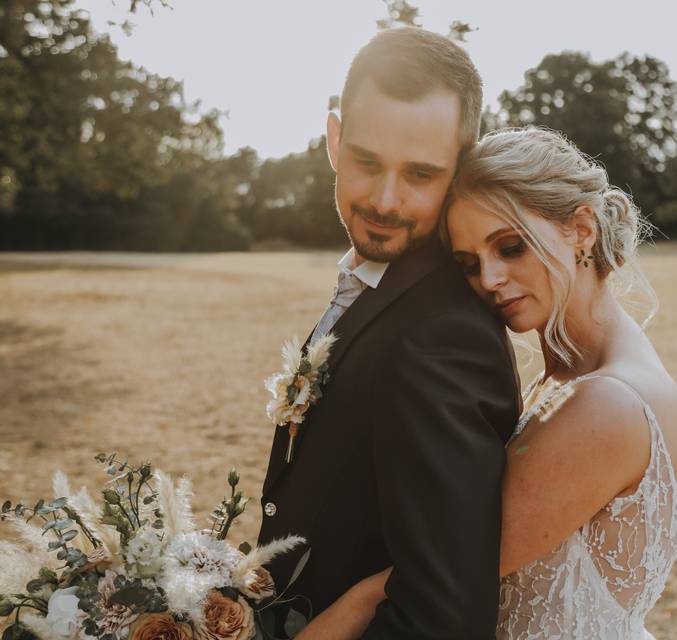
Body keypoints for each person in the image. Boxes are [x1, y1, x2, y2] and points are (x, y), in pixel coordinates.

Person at [297, 127, 677, 640]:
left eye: (509, 248)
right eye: (468, 264)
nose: (488, 279)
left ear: (581, 230)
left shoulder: (606, 404)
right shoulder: (580, 376)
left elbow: (428, 578)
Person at [256, 28, 521, 639]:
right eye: (366, 161)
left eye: (421, 174)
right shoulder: (377, 284)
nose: (385, 199)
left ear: (461, 169)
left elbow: (441, 616)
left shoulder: (444, 336)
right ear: (334, 139)